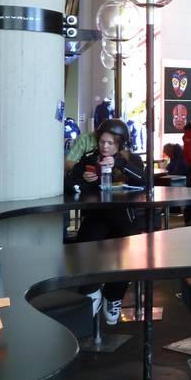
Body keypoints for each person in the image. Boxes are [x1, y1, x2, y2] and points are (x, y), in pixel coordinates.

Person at [66, 118, 146, 325]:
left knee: (126, 259)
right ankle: (91, 290)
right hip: (97, 215)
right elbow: (69, 182)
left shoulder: (131, 160)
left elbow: (144, 181)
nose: (105, 146)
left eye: (111, 143)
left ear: (120, 144)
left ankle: (113, 296)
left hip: (125, 217)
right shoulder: (90, 158)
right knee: (83, 249)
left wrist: (120, 164)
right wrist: (82, 179)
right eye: (102, 142)